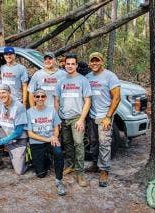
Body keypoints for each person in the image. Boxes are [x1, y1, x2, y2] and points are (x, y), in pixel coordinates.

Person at [54, 53, 92, 187]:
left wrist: (82, 119)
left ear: (76, 65)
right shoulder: (61, 81)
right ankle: (70, 165)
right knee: (67, 143)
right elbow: (57, 100)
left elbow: (87, 100)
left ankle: (80, 172)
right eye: (67, 64)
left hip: (77, 118)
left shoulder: (83, 80)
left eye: (72, 64)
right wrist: (58, 118)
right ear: (64, 65)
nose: (70, 66)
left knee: (79, 143)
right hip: (64, 118)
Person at [85, 52, 121, 187]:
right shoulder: (88, 77)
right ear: (89, 63)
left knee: (105, 143)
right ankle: (95, 164)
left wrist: (108, 116)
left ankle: (104, 170)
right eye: (92, 61)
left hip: (104, 116)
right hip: (92, 116)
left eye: (97, 61)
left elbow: (117, 97)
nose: (94, 63)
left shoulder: (110, 76)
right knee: (93, 142)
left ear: (102, 62)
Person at [26, 89, 65, 195]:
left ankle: (59, 179)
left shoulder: (51, 110)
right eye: (37, 96)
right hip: (36, 143)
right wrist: (47, 139)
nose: (40, 98)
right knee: (41, 174)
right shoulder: (29, 112)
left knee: (59, 153)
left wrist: (54, 137)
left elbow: (56, 128)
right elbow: (30, 133)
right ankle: (46, 159)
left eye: (42, 96)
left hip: (51, 140)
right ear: (34, 98)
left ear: (45, 98)